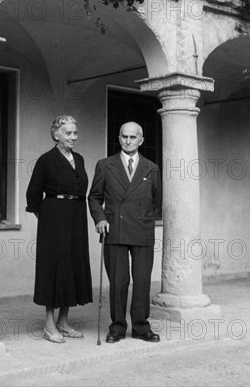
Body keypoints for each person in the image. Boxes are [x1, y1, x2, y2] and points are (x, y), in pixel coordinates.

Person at [88, 121, 161, 343]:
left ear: (141, 140)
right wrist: (100, 219)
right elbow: (94, 197)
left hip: (142, 231)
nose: (128, 141)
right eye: (124, 137)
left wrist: (143, 217)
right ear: (119, 138)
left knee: (141, 281)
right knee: (118, 282)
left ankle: (141, 327)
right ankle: (117, 327)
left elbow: (156, 201)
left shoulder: (151, 168)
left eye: (132, 137)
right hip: (115, 230)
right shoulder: (104, 165)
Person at [26, 115, 92, 343]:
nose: (73, 137)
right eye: (68, 133)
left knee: (72, 265)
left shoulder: (80, 159)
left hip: (76, 215)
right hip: (53, 217)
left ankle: (64, 321)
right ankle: (49, 324)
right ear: (56, 134)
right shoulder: (46, 160)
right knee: (53, 267)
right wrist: (46, 217)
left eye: (75, 132)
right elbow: (33, 195)